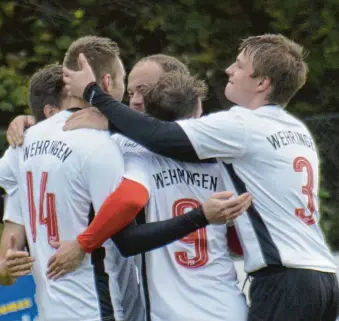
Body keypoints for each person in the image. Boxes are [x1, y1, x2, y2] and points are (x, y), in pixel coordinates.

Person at [62, 34, 339, 321]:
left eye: (240, 65)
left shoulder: (242, 125)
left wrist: (95, 95)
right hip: (322, 276)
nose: (229, 69)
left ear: (262, 83)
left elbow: (161, 137)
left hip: (284, 282)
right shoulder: (295, 130)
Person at [45, 72, 251, 321]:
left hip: (170, 312)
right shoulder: (227, 157)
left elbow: (129, 209)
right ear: (198, 111)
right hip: (228, 306)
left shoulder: (132, 150)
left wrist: (82, 243)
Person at [0, 63, 126, 321]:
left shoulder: (27, 147)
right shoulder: (30, 156)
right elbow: (2, 267)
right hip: (93, 310)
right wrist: (5, 268)